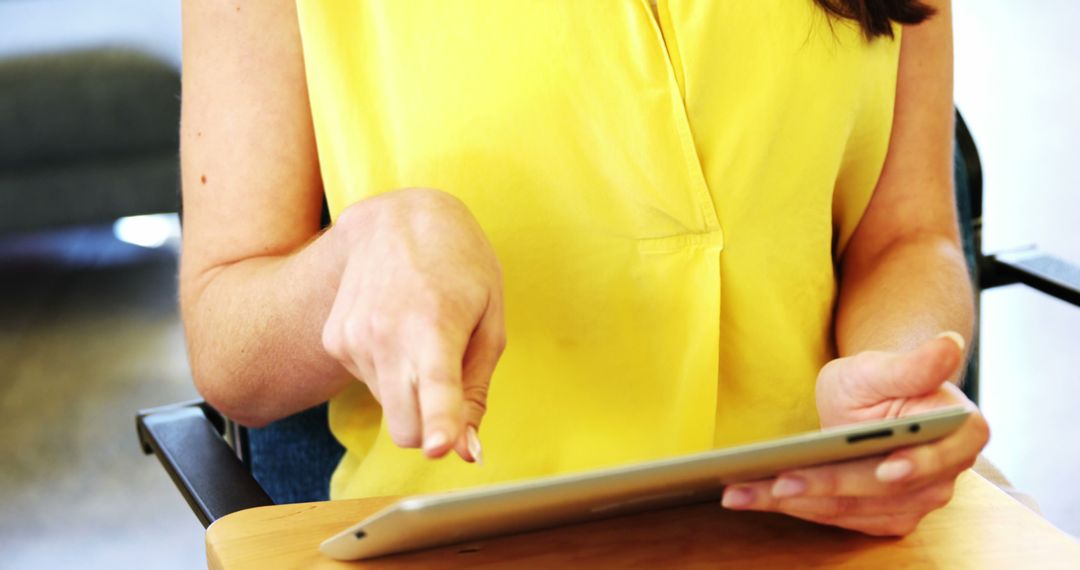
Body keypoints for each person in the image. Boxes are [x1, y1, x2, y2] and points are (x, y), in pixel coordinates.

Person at [179, 0, 990, 537]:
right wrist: (357, 258)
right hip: (472, 544)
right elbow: (228, 345)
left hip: (814, 532)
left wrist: (894, 393)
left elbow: (907, 236)